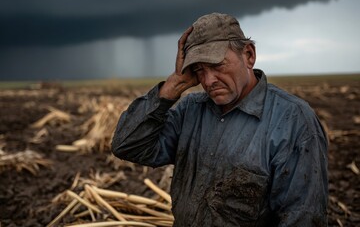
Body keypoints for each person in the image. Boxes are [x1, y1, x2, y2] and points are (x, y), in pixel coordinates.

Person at [112, 13, 328, 226]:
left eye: (217, 65)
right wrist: (174, 84)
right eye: (198, 70)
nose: (208, 80)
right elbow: (127, 146)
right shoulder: (191, 110)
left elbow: (302, 218)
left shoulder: (293, 121)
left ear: (249, 55)